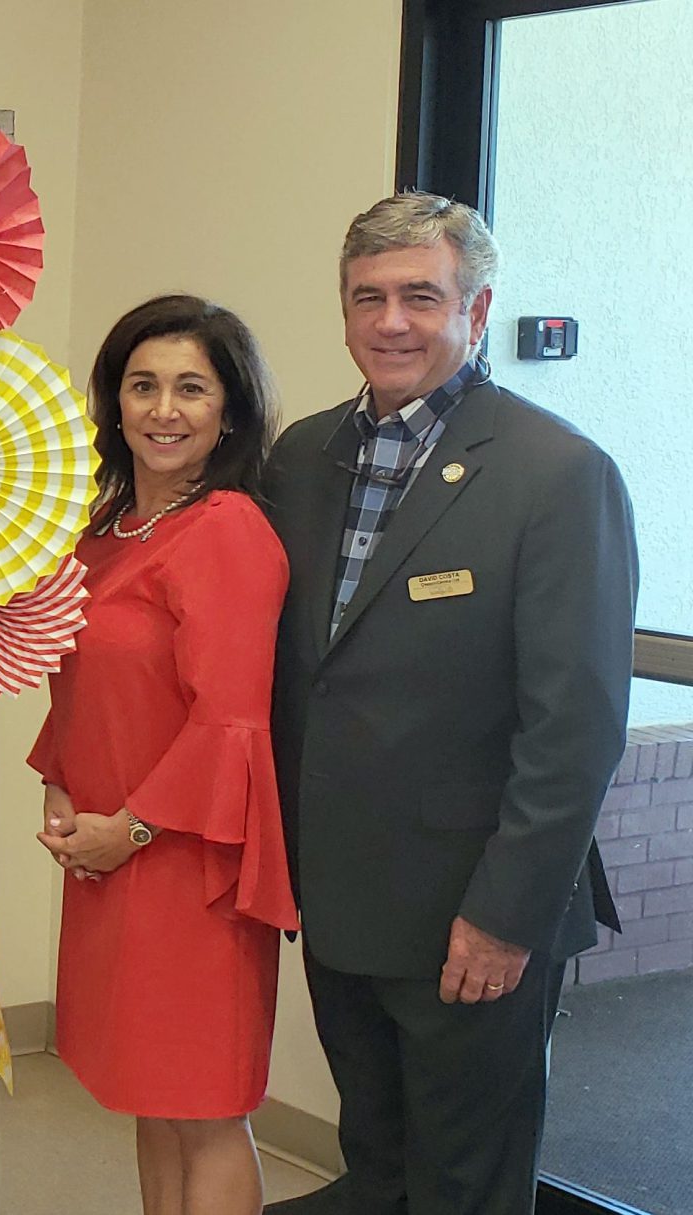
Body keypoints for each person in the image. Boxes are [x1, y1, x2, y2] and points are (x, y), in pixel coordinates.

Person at [262, 194, 632, 1215]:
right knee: (375, 1161)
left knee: (465, 1183)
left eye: (420, 297)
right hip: (338, 900)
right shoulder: (299, 459)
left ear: (475, 311)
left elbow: (575, 727)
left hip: (474, 915)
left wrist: (502, 918)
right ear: (342, 312)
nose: (391, 322)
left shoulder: (557, 475)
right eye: (367, 297)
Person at [30, 296, 298, 1215]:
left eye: (191, 387)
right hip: (104, 853)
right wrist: (63, 790)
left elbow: (231, 723)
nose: (164, 409)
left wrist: (131, 830)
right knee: (150, 1097)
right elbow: (76, 688)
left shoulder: (227, 528)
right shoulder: (102, 535)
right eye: (142, 386)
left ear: (231, 409)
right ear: (114, 403)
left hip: (188, 862)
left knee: (206, 1107)